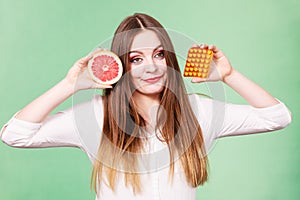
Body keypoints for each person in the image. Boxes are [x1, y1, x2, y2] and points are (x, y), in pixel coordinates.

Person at [0, 13, 292, 200]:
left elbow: (276, 117)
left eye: (159, 55)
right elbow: (16, 134)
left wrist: (229, 76)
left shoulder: (198, 112)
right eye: (136, 59)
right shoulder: (96, 116)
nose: (151, 67)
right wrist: (69, 86)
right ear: (122, 66)